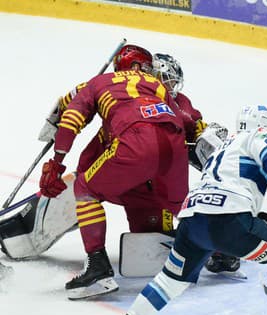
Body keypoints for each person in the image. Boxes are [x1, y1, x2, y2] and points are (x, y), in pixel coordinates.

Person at [105, 104, 267, 315]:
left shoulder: (225, 146)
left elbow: (223, 202)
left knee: (170, 280)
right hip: (229, 222)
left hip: (193, 221)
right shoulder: (258, 134)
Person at [38, 44, 200, 300]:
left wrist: (57, 160)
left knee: (85, 189)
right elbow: (185, 124)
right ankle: (221, 248)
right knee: (180, 206)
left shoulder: (98, 82)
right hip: (173, 152)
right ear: (139, 68)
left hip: (134, 144)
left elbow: (70, 116)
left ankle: (98, 268)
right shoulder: (157, 87)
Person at [152, 53, 242, 277]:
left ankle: (219, 247)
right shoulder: (145, 97)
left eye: (174, 80)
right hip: (148, 162)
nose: (172, 84)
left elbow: (197, 126)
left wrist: (208, 136)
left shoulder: (181, 101)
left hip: (170, 167)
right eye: (168, 79)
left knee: (181, 202)